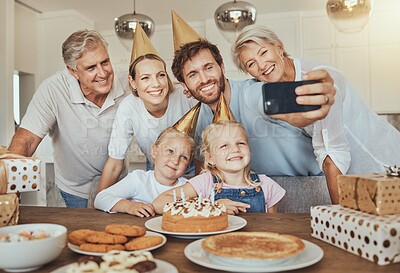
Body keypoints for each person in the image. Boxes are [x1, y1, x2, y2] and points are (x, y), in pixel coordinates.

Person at [231, 24, 400, 203]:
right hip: (357, 178)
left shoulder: (315, 78)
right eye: (251, 63)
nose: (262, 65)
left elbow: (333, 153)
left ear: (279, 47)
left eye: (263, 52)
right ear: (249, 73)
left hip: (386, 160)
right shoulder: (277, 93)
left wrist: (338, 218)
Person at [169, 12, 336, 185]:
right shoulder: (201, 120)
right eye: (193, 74)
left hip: (311, 184)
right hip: (259, 191)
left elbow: (286, 108)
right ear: (184, 85)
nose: (204, 79)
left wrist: (314, 102)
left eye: (208, 67)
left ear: (222, 67)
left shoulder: (251, 93)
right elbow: (201, 170)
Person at [7, 30, 130, 208]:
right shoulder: (53, 89)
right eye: (91, 68)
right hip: (74, 189)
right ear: (73, 71)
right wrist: (9, 189)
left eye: (105, 62)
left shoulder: (126, 81)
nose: (103, 73)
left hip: (118, 185)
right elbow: (26, 140)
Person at [97, 24, 197, 194]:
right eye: (145, 78)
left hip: (196, 165)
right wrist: (99, 202)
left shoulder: (185, 96)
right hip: (157, 168)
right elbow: (115, 162)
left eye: (161, 75)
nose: (156, 84)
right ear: (133, 82)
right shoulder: (128, 108)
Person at [153, 120, 285, 214]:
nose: (235, 149)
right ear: (210, 158)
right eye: (224, 145)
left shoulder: (266, 185)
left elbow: (271, 226)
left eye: (241, 143)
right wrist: (210, 206)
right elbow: (159, 204)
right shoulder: (205, 182)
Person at [95, 127, 196, 218]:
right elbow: (100, 198)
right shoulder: (138, 179)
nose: (175, 161)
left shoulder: (189, 188)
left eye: (184, 157)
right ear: (154, 151)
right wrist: (129, 206)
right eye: (170, 151)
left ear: (188, 164)